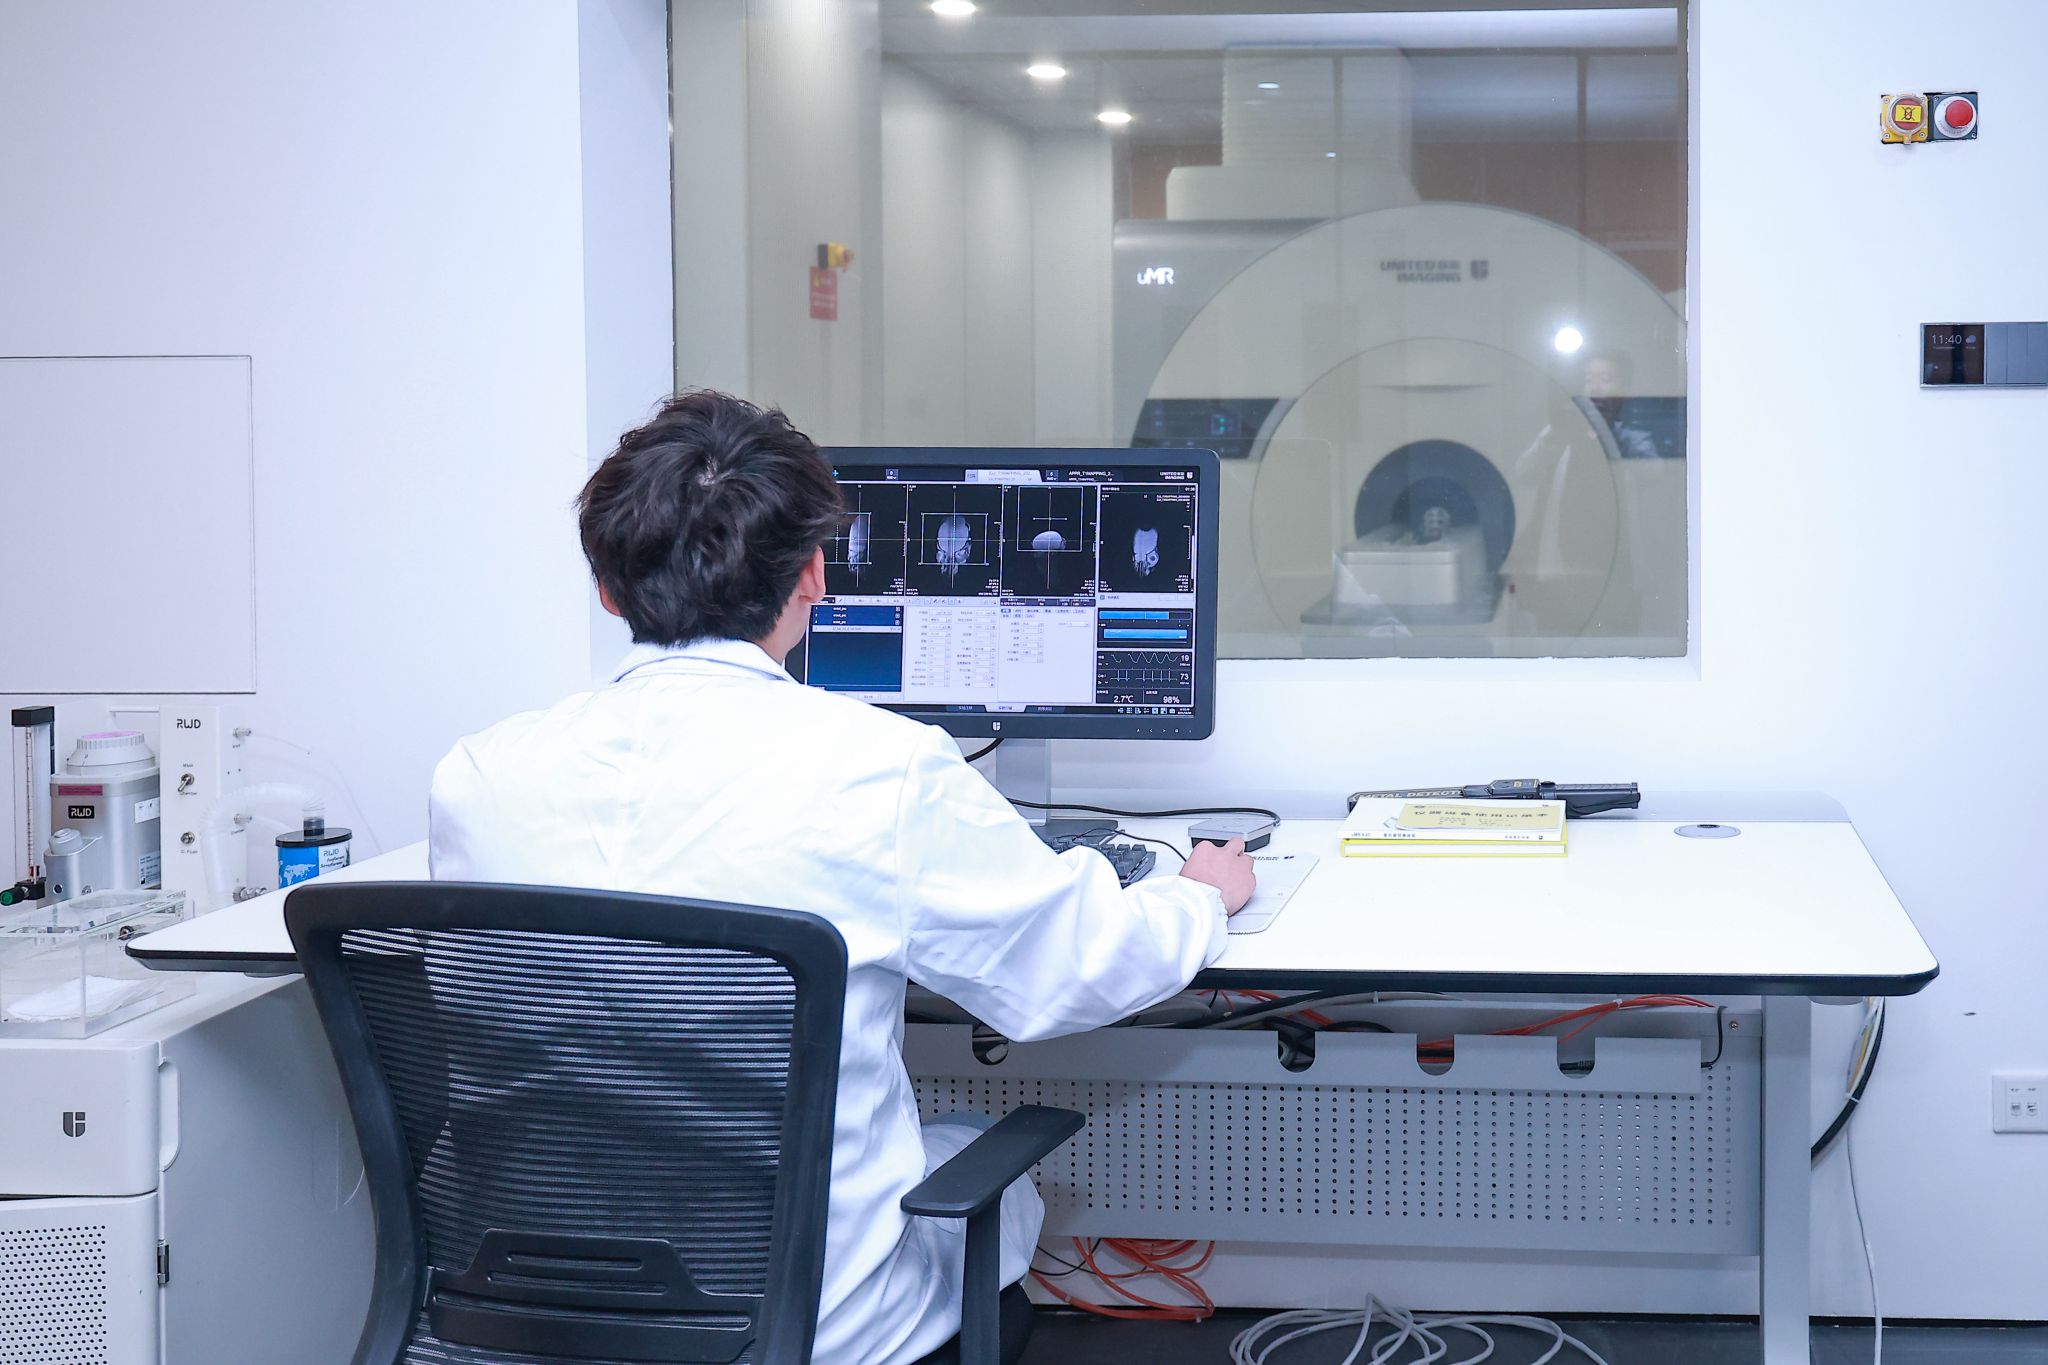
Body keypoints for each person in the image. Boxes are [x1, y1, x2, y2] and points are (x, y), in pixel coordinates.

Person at [427, 390, 1256, 1365]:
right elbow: (1075, 967)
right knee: (982, 1162)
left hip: (528, 1315)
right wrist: (1199, 895)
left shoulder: (478, 777)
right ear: (815, 574)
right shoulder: (879, 771)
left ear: (608, 589)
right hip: (815, 1331)